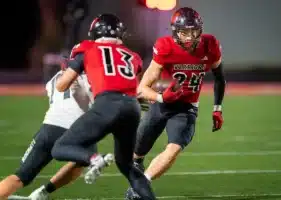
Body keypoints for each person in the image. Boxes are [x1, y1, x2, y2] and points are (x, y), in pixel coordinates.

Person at [51, 14, 156, 200]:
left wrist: (70, 68)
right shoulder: (133, 56)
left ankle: (94, 159)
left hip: (107, 104)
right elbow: (134, 87)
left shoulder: (87, 49)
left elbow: (61, 85)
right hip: (132, 108)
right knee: (127, 166)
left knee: (60, 147)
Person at [126, 7, 226, 199]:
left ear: (200, 30)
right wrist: (162, 97)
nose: (189, 37)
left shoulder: (210, 45)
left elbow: (220, 78)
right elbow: (142, 88)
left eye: (193, 31)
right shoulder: (165, 47)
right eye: (184, 32)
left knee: (174, 148)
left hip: (186, 108)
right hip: (162, 104)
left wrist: (217, 108)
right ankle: (138, 165)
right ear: (175, 32)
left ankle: (140, 186)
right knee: (136, 155)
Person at [0, 65, 111, 200]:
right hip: (76, 130)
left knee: (20, 177)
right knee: (84, 159)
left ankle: (43, 192)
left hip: (49, 128)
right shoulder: (88, 77)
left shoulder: (52, 80)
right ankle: (45, 191)